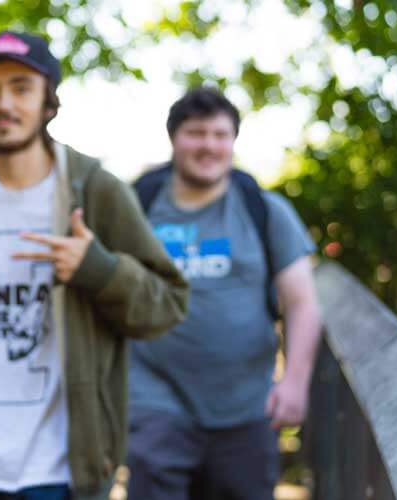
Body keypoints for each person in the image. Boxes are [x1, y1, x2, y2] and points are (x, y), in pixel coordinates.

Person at [0, 31, 189, 500]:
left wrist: (99, 269)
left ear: (49, 103)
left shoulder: (95, 190)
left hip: (63, 469)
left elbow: (168, 304)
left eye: (20, 87)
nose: (2, 103)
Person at [125, 87, 322, 500]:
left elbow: (302, 303)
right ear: (174, 139)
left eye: (220, 135)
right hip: (155, 404)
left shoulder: (265, 210)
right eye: (196, 133)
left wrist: (295, 384)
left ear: (233, 141)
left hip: (246, 410)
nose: (209, 145)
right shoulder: (136, 207)